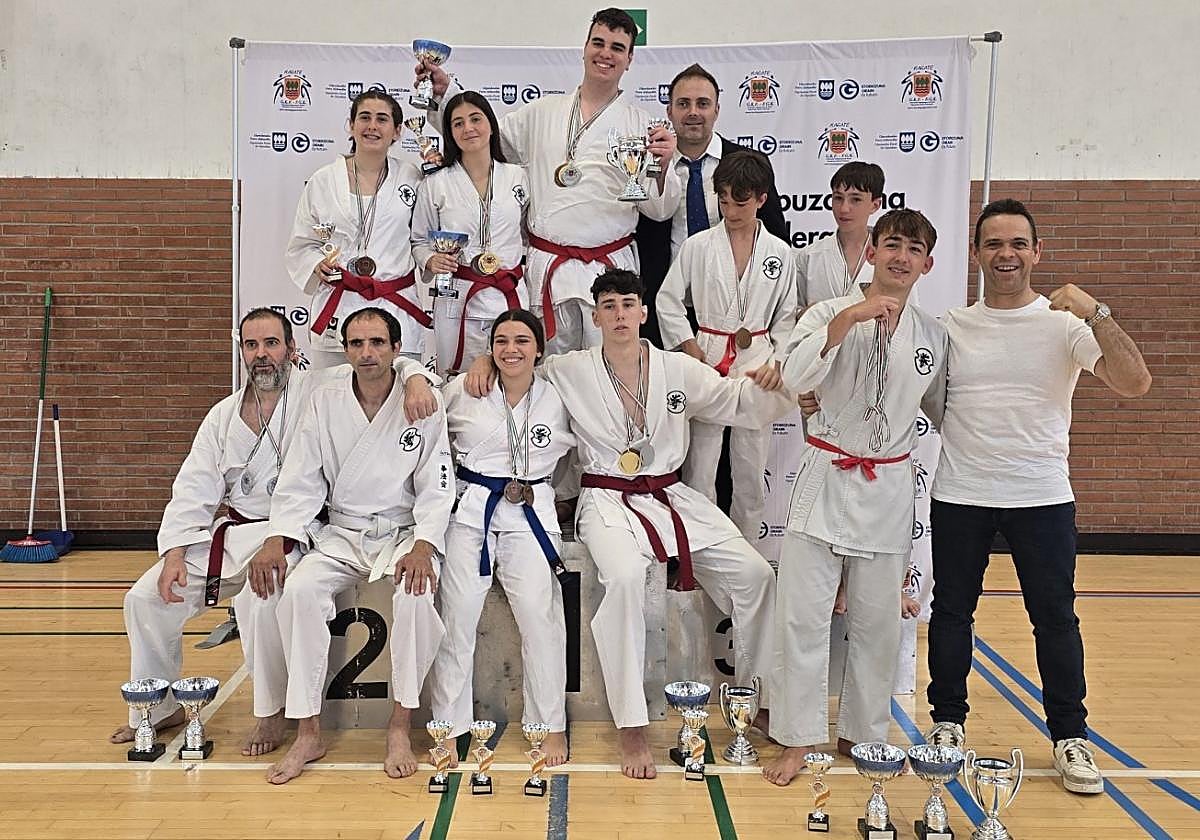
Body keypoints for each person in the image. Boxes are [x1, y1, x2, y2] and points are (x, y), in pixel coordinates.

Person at [464, 268, 790, 779]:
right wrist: (486, 357)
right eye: (609, 306)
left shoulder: (678, 369)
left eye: (627, 304)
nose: (619, 314)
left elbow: (736, 401)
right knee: (620, 581)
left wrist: (782, 383)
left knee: (755, 575)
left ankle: (760, 699)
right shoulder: (569, 368)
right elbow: (518, 360)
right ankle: (631, 725)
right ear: (595, 317)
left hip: (672, 494)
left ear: (643, 312)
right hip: (606, 499)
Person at [111, 308, 437, 756]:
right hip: (233, 533)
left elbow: (381, 361)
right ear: (241, 350)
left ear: (292, 350)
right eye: (251, 345)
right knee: (145, 598)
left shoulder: (317, 391)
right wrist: (173, 551)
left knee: (262, 597)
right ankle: (159, 706)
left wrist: (417, 375)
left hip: (290, 529)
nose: (261, 355)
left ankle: (271, 713)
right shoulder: (222, 416)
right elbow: (193, 487)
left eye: (271, 344)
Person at [924, 198, 1151, 795]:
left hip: (1042, 496)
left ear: (1037, 252)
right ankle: (947, 725)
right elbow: (902, 392)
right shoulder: (950, 326)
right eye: (994, 244)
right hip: (961, 492)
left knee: (1054, 619)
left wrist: (1097, 310)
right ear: (976, 255)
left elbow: (1135, 383)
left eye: (1018, 244)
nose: (1007, 255)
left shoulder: (1067, 325)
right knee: (951, 614)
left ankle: (1070, 737)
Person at [764, 209, 947, 786]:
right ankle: (797, 741)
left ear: (927, 264)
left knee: (876, 625)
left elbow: (945, 412)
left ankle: (864, 736)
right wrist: (849, 319)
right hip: (823, 476)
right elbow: (794, 377)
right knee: (802, 620)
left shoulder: (932, 335)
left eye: (913, 249)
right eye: (891, 243)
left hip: (888, 489)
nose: (901, 256)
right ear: (870, 251)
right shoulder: (826, 312)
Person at [251, 307, 454, 785]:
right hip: (340, 532)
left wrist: (424, 544)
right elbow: (300, 476)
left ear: (395, 349)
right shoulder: (325, 397)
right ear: (344, 350)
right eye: (357, 344)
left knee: (415, 596)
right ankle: (307, 730)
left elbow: (437, 484)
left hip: (403, 533)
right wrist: (277, 538)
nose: (367, 353)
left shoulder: (422, 400)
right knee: (298, 592)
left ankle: (400, 725)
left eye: (378, 343)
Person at [419, 8, 681, 354]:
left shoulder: (642, 126)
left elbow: (659, 210)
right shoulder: (541, 112)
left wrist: (661, 167)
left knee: (609, 373)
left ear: (630, 59)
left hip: (610, 271)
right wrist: (447, 94)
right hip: (548, 271)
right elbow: (483, 138)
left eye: (617, 48)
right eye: (598, 43)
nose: (605, 54)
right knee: (551, 377)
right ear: (584, 48)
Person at [431, 310, 574, 766]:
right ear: (489, 348)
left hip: (530, 511)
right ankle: (448, 728)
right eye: (501, 341)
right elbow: (425, 419)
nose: (511, 349)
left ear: (539, 349)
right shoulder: (465, 389)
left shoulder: (559, 396)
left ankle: (549, 725)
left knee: (540, 618)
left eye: (522, 340)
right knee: (456, 618)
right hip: (472, 510)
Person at [656, 150, 797, 541]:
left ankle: (747, 555)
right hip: (708, 353)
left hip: (758, 361)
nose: (730, 209)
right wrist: (687, 344)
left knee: (750, 470)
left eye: (741, 202)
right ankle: (701, 553)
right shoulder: (698, 246)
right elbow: (667, 299)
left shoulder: (781, 254)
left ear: (761, 200)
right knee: (700, 465)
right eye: (723, 199)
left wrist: (779, 362)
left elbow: (786, 317)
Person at [635, 62, 788, 348]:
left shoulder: (748, 162)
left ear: (716, 110)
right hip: (664, 305)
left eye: (702, 103)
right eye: (683, 104)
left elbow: (776, 236)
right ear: (669, 111)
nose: (693, 112)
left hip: (733, 309)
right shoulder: (647, 163)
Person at [285, 89, 435, 368]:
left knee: (399, 401)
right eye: (364, 117)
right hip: (340, 307)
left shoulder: (412, 177)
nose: (372, 126)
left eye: (382, 119)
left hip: (396, 307)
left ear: (397, 131)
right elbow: (302, 243)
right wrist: (316, 264)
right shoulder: (323, 180)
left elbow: (423, 238)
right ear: (351, 126)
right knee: (332, 397)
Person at [412, 92, 530, 376]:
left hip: (509, 296)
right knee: (455, 386)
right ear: (450, 134)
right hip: (458, 298)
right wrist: (431, 260)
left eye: (475, 119)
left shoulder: (518, 176)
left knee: (512, 382)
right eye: (458, 123)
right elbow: (419, 240)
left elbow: (529, 234)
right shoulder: (436, 184)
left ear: (491, 124)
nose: (468, 129)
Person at [796, 161, 885, 307]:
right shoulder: (810, 256)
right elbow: (790, 312)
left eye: (855, 199)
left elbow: (907, 312)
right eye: (838, 198)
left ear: (875, 205)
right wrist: (807, 314)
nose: (844, 208)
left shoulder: (890, 256)